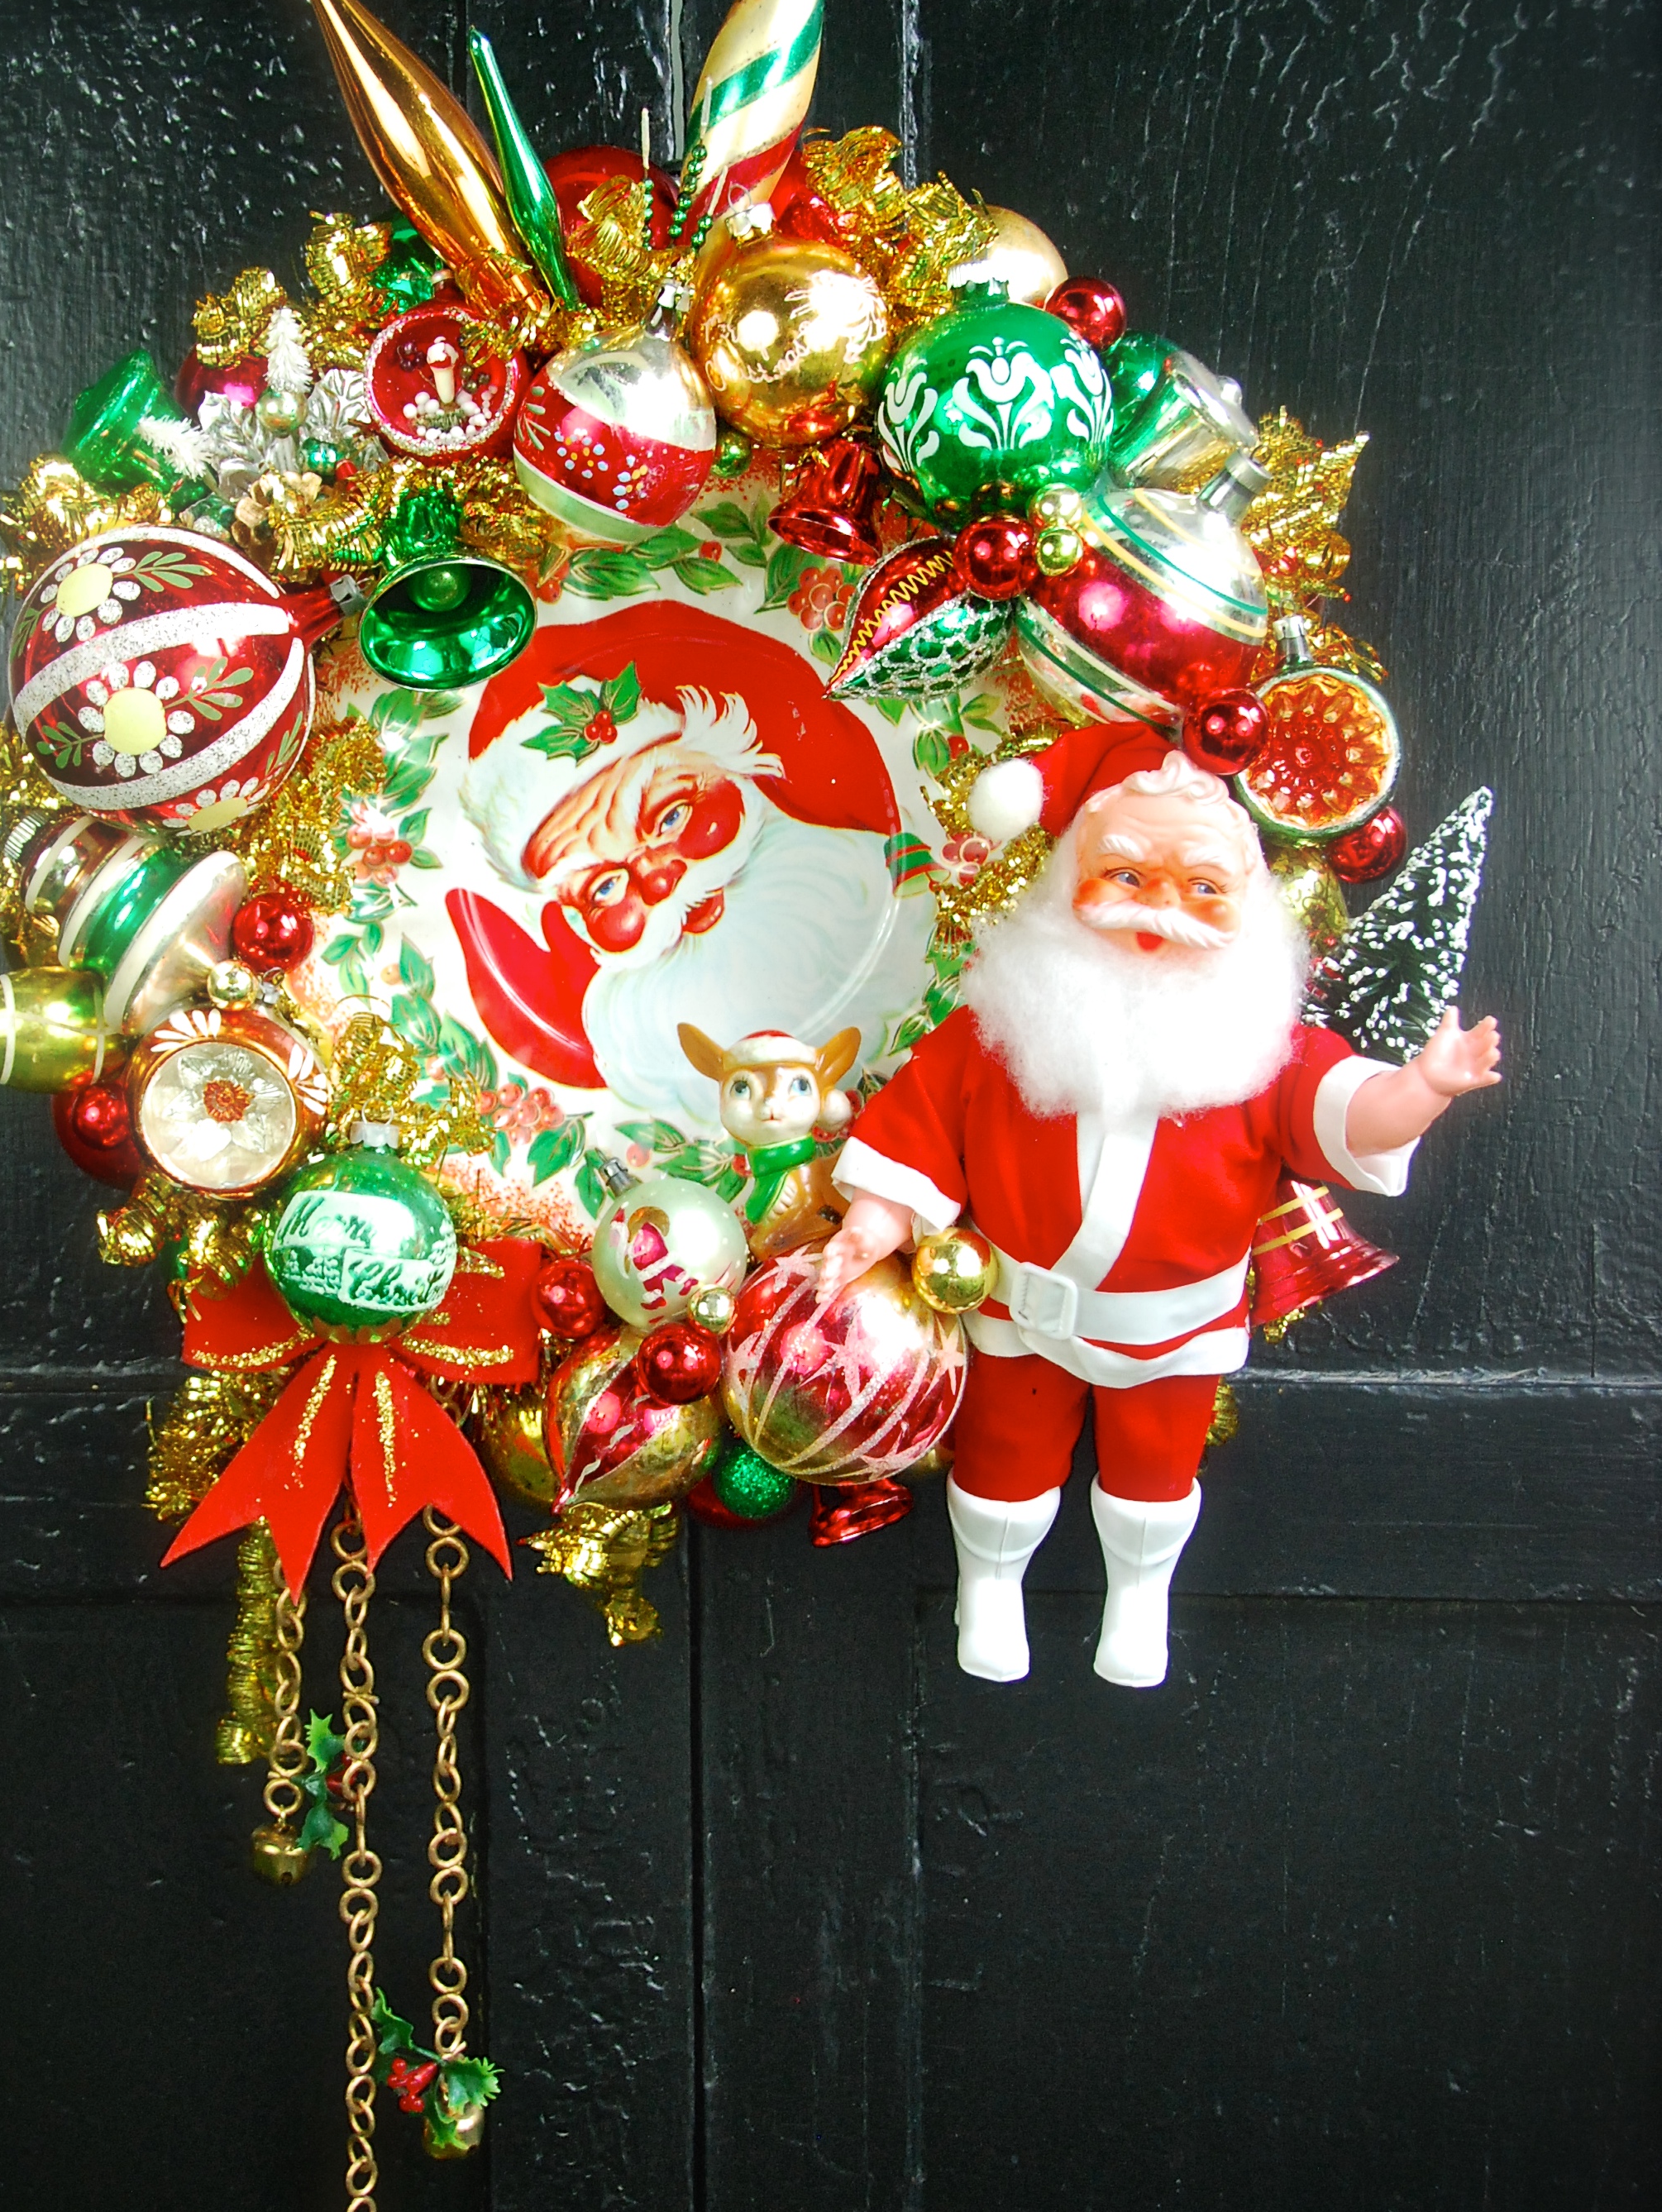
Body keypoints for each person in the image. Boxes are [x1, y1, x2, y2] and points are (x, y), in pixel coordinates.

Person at [818, 745, 1501, 1689]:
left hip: (1176, 1331)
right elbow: (922, 1123)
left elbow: (1348, 1114)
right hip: (1018, 1313)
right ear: (1069, 878)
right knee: (1002, 1464)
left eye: (1202, 887)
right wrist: (880, 1215)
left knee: (1154, 1477)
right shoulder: (1002, 1024)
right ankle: (989, 1586)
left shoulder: (1264, 1045)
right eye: (1126, 874)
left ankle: (1140, 1599)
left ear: (1250, 905)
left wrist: (1421, 1090)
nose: (1157, 907)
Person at [446, 603, 932, 1125]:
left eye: (672, 815)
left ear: (734, 766)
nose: (658, 881)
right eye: (604, 888)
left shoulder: (898, 881)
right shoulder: (631, 1055)